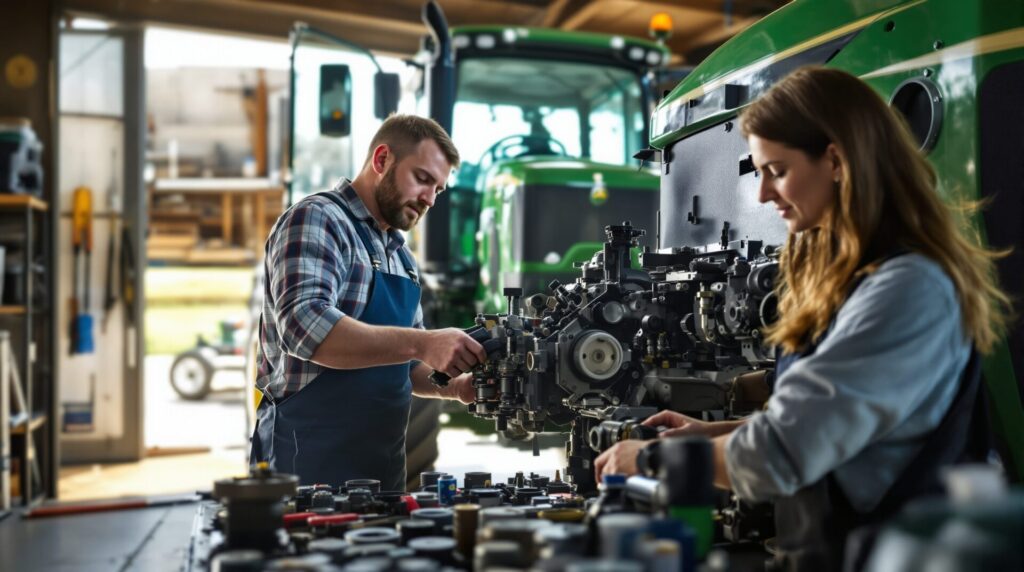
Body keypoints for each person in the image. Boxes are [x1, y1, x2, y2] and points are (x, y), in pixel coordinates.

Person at [594, 67, 1011, 570]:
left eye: (777, 170)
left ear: (835, 161)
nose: (764, 195)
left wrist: (653, 459)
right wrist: (708, 435)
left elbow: (785, 453)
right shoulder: (853, 280)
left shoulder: (909, 290)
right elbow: (825, 423)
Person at [251, 115, 486, 491]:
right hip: (307, 468)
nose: (429, 199)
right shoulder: (317, 220)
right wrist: (424, 342)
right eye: (422, 178)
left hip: (381, 474)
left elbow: (408, 367)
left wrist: (457, 387)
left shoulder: (401, 258)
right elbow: (303, 327)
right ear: (382, 160)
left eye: (438, 190)